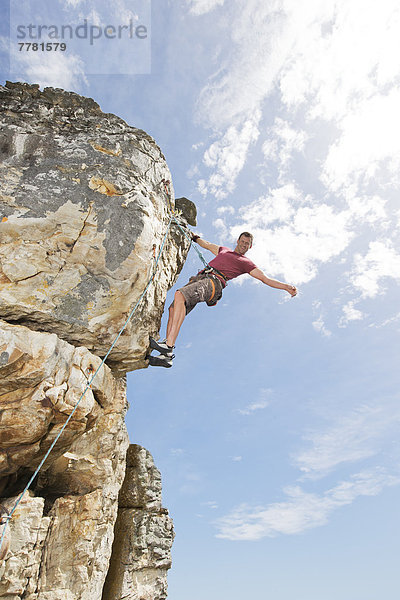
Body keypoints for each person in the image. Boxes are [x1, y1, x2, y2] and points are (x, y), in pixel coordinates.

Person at [148, 231, 297, 367]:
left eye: (247, 244)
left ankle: (168, 345)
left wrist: (285, 287)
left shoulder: (246, 263)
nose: (244, 245)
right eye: (243, 242)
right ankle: (166, 355)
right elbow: (206, 245)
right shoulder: (224, 250)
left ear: (250, 247)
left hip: (214, 283)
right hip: (200, 279)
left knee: (180, 295)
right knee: (173, 308)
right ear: (238, 241)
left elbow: (265, 279)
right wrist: (194, 237)